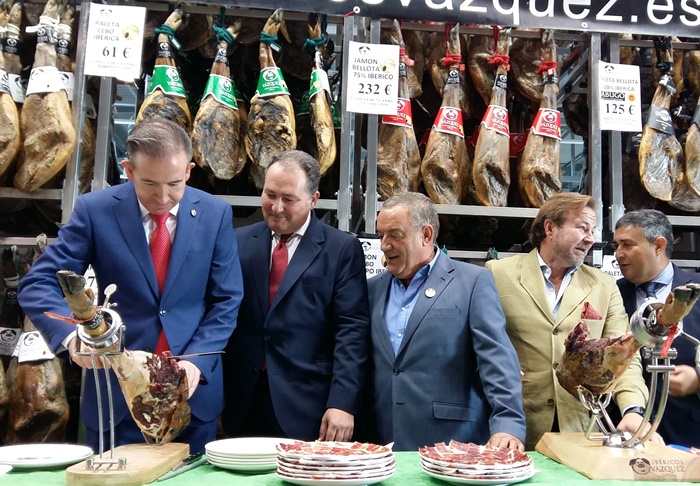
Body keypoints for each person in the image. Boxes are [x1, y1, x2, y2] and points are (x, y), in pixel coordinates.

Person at [17, 119, 243, 454]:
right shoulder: (96, 211)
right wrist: (72, 337)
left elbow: (226, 299)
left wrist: (196, 361)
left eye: (175, 184)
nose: (163, 197)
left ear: (190, 171)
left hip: (193, 396)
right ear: (128, 170)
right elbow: (38, 283)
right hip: (116, 395)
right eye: (150, 183)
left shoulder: (215, 213)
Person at [485, 193, 657, 450]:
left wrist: (633, 409)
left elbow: (625, 356)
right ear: (550, 228)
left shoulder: (604, 285)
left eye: (593, 230)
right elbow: (477, 346)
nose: (591, 238)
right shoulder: (497, 274)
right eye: (582, 228)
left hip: (582, 431)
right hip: (513, 429)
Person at [222, 150, 370, 442]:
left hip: (308, 404)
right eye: (269, 194)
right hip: (241, 401)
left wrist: (342, 402)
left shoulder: (340, 249)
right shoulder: (237, 241)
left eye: (288, 199)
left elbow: (351, 332)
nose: (276, 207)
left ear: (313, 200)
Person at [366, 192, 526, 451]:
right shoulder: (371, 290)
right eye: (381, 234)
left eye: (395, 234)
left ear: (426, 235)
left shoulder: (473, 282)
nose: (384, 245)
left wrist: (508, 423)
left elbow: (497, 360)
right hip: (381, 442)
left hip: (453, 441)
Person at [614, 209, 700, 447]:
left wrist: (698, 378)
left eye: (627, 245)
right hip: (626, 434)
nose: (618, 254)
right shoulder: (612, 294)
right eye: (616, 245)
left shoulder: (696, 291)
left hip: (688, 437)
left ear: (659, 246)